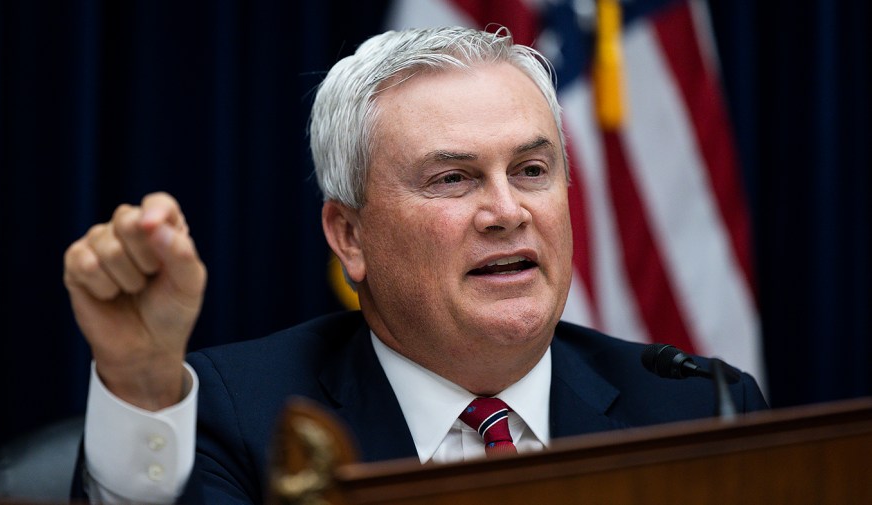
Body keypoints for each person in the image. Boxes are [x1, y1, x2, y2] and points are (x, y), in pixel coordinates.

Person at [63, 26, 767, 505]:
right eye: (452, 179)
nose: (506, 210)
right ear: (349, 235)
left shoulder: (697, 407)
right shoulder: (242, 418)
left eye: (530, 169)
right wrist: (144, 386)